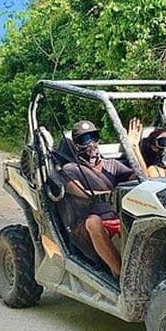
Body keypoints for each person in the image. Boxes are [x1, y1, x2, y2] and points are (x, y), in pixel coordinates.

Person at [61, 119, 138, 278]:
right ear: (76, 145)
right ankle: (120, 275)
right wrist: (110, 195)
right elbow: (82, 193)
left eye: (94, 137)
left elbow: (141, 179)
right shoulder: (71, 169)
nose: (91, 144)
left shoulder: (112, 165)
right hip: (85, 227)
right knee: (94, 221)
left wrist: (133, 148)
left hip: (117, 218)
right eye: (84, 139)